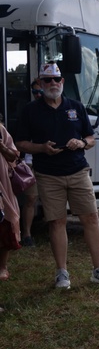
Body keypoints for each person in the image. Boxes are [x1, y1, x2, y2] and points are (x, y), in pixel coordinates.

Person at [13, 62, 99, 289]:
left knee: (91, 218)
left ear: (62, 81)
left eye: (56, 79)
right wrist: (41, 148)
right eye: (47, 80)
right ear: (40, 82)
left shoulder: (75, 107)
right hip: (48, 175)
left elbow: (90, 138)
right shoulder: (30, 110)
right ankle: (62, 273)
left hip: (78, 171)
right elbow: (20, 143)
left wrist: (81, 142)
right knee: (57, 222)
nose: (52, 84)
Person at [16, 80, 41, 247]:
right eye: (35, 92)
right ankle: (26, 234)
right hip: (31, 162)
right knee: (31, 198)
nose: (38, 95)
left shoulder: (59, 110)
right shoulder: (28, 112)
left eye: (41, 91)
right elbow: (20, 140)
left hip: (53, 164)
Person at [0, 118, 21, 281]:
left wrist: (1, 146)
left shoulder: (1, 130)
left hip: (2, 186)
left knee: (5, 223)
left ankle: (2, 266)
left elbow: (13, 156)